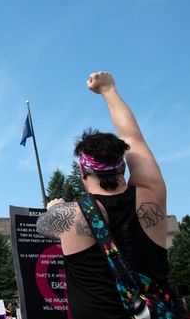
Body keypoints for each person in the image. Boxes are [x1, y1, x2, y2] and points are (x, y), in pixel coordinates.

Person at [36, 71, 172, 318]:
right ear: (123, 165)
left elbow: (42, 227)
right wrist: (108, 90)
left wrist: (55, 208)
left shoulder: (70, 215)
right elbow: (133, 138)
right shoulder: (152, 193)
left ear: (82, 170)